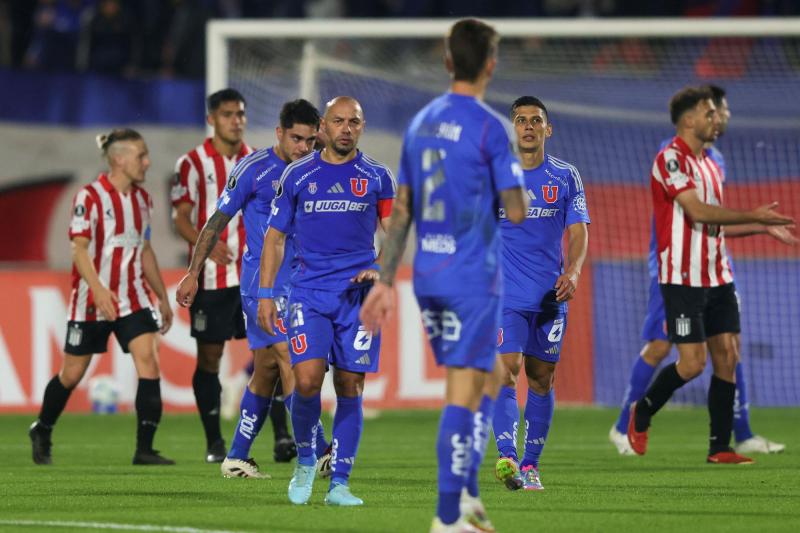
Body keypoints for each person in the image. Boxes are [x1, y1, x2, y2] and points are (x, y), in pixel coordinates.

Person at [359, 18, 528, 533]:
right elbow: (517, 210)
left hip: (428, 275)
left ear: (448, 61)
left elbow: (403, 208)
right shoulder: (490, 127)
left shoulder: (420, 123)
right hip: (473, 276)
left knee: (485, 385)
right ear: (491, 66)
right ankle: (446, 514)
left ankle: (471, 498)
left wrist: (387, 280)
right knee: (465, 391)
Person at [609, 85, 795, 456]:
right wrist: (753, 213)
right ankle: (642, 411)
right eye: (710, 113)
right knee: (692, 364)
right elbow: (698, 212)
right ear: (690, 119)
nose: (717, 119)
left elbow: (716, 225)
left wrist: (760, 226)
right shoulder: (670, 160)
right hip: (682, 279)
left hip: (718, 274)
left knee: (727, 354)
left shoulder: (711, 163)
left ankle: (719, 446)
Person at [175, 98, 328, 477]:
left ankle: (237, 456)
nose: (303, 148)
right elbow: (215, 222)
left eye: (310, 140)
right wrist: (194, 272)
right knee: (294, 359)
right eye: (296, 139)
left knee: (266, 372)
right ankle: (320, 450)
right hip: (261, 286)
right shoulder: (254, 169)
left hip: (302, 285)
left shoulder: (316, 167)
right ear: (279, 133)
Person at [258, 96, 394, 507]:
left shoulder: (378, 176)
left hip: (358, 298)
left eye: (354, 121)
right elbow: (275, 238)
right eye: (338, 121)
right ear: (322, 125)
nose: (346, 128)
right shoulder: (298, 175)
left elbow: (396, 231)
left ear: (362, 126)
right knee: (306, 381)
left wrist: (382, 269)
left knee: (350, 385)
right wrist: (266, 294)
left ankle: (340, 484)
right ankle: (305, 461)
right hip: (308, 294)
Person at [28, 128, 175, 466]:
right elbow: (78, 250)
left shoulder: (142, 199)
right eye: (141, 155)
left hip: (133, 297)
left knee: (148, 360)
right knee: (72, 373)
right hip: (92, 300)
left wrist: (162, 297)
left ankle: (144, 449)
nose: (147, 162)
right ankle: (43, 428)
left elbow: (145, 249)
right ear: (119, 159)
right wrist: (98, 289)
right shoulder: (90, 197)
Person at [491, 96, 590, 491]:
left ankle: (531, 464)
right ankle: (507, 457)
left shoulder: (566, 176)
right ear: (513, 129)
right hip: (504, 295)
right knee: (505, 369)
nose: (528, 126)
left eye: (536, 120)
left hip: (549, 296)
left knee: (541, 379)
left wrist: (575, 271)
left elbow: (579, 231)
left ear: (548, 129)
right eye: (520, 120)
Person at [172, 88, 254, 463]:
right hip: (211, 279)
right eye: (227, 114)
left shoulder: (256, 159)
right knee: (210, 358)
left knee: (272, 354)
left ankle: (285, 437)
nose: (235, 120)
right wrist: (207, 245)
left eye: (240, 113)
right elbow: (181, 219)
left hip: (253, 275)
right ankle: (213, 442)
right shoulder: (191, 163)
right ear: (212, 119)